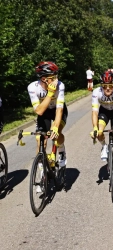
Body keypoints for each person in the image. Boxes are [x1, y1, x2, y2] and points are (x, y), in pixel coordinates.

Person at [28, 62, 68, 191]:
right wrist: (50, 94)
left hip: (58, 110)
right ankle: (42, 174)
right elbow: (39, 111)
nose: (56, 79)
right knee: (40, 140)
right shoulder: (33, 88)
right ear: (44, 78)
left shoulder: (60, 86)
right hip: (44, 112)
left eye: (56, 76)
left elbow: (59, 109)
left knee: (56, 135)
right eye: (53, 76)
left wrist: (55, 127)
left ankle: (61, 152)